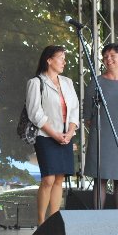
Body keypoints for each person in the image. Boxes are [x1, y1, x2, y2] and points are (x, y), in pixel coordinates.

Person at [25, 45, 79, 225]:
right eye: (60, 57)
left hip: (65, 136)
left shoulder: (68, 82)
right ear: (49, 60)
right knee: (48, 178)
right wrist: (55, 134)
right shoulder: (36, 82)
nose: (64, 61)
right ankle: (41, 223)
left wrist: (70, 132)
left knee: (59, 178)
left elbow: (75, 110)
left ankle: (53, 221)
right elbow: (35, 113)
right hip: (45, 136)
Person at [83, 43, 118, 210]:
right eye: (105, 56)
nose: (108, 59)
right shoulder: (96, 82)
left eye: (112, 56)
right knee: (99, 178)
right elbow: (88, 115)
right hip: (101, 136)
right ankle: (98, 218)